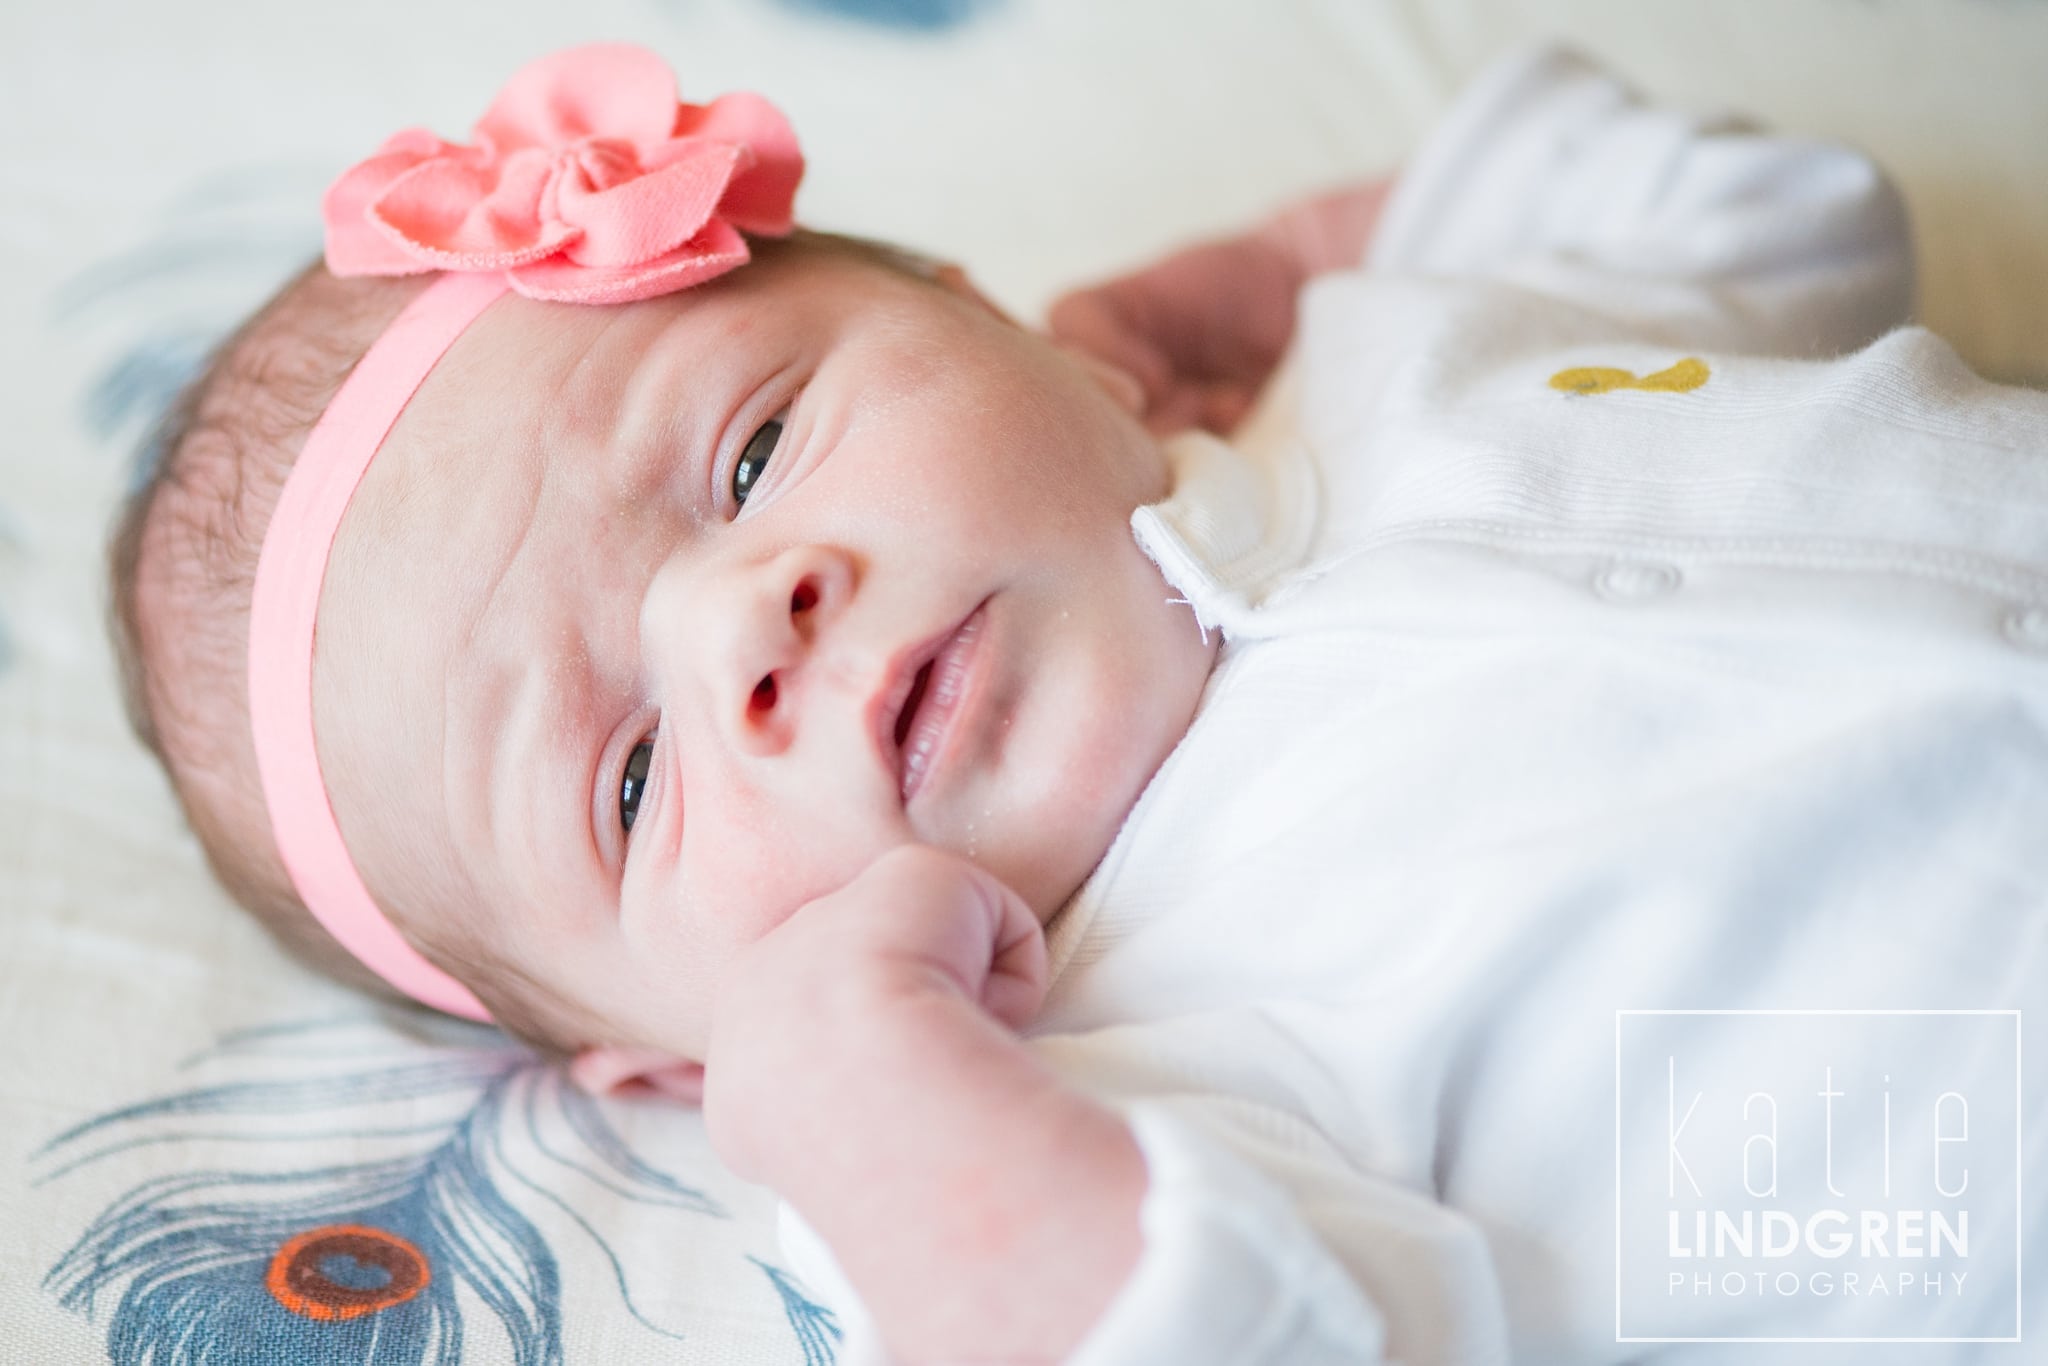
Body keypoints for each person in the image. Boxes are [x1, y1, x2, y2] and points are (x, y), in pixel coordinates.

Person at [111, 41, 2047, 1363]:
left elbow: (1783, 220)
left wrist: (1273, 274)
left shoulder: (1376, 359)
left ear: (992, 315)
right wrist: (859, 1097)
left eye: (759, 445)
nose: (740, 624)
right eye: (626, 786)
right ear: (671, 1061)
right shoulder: (1117, 1083)